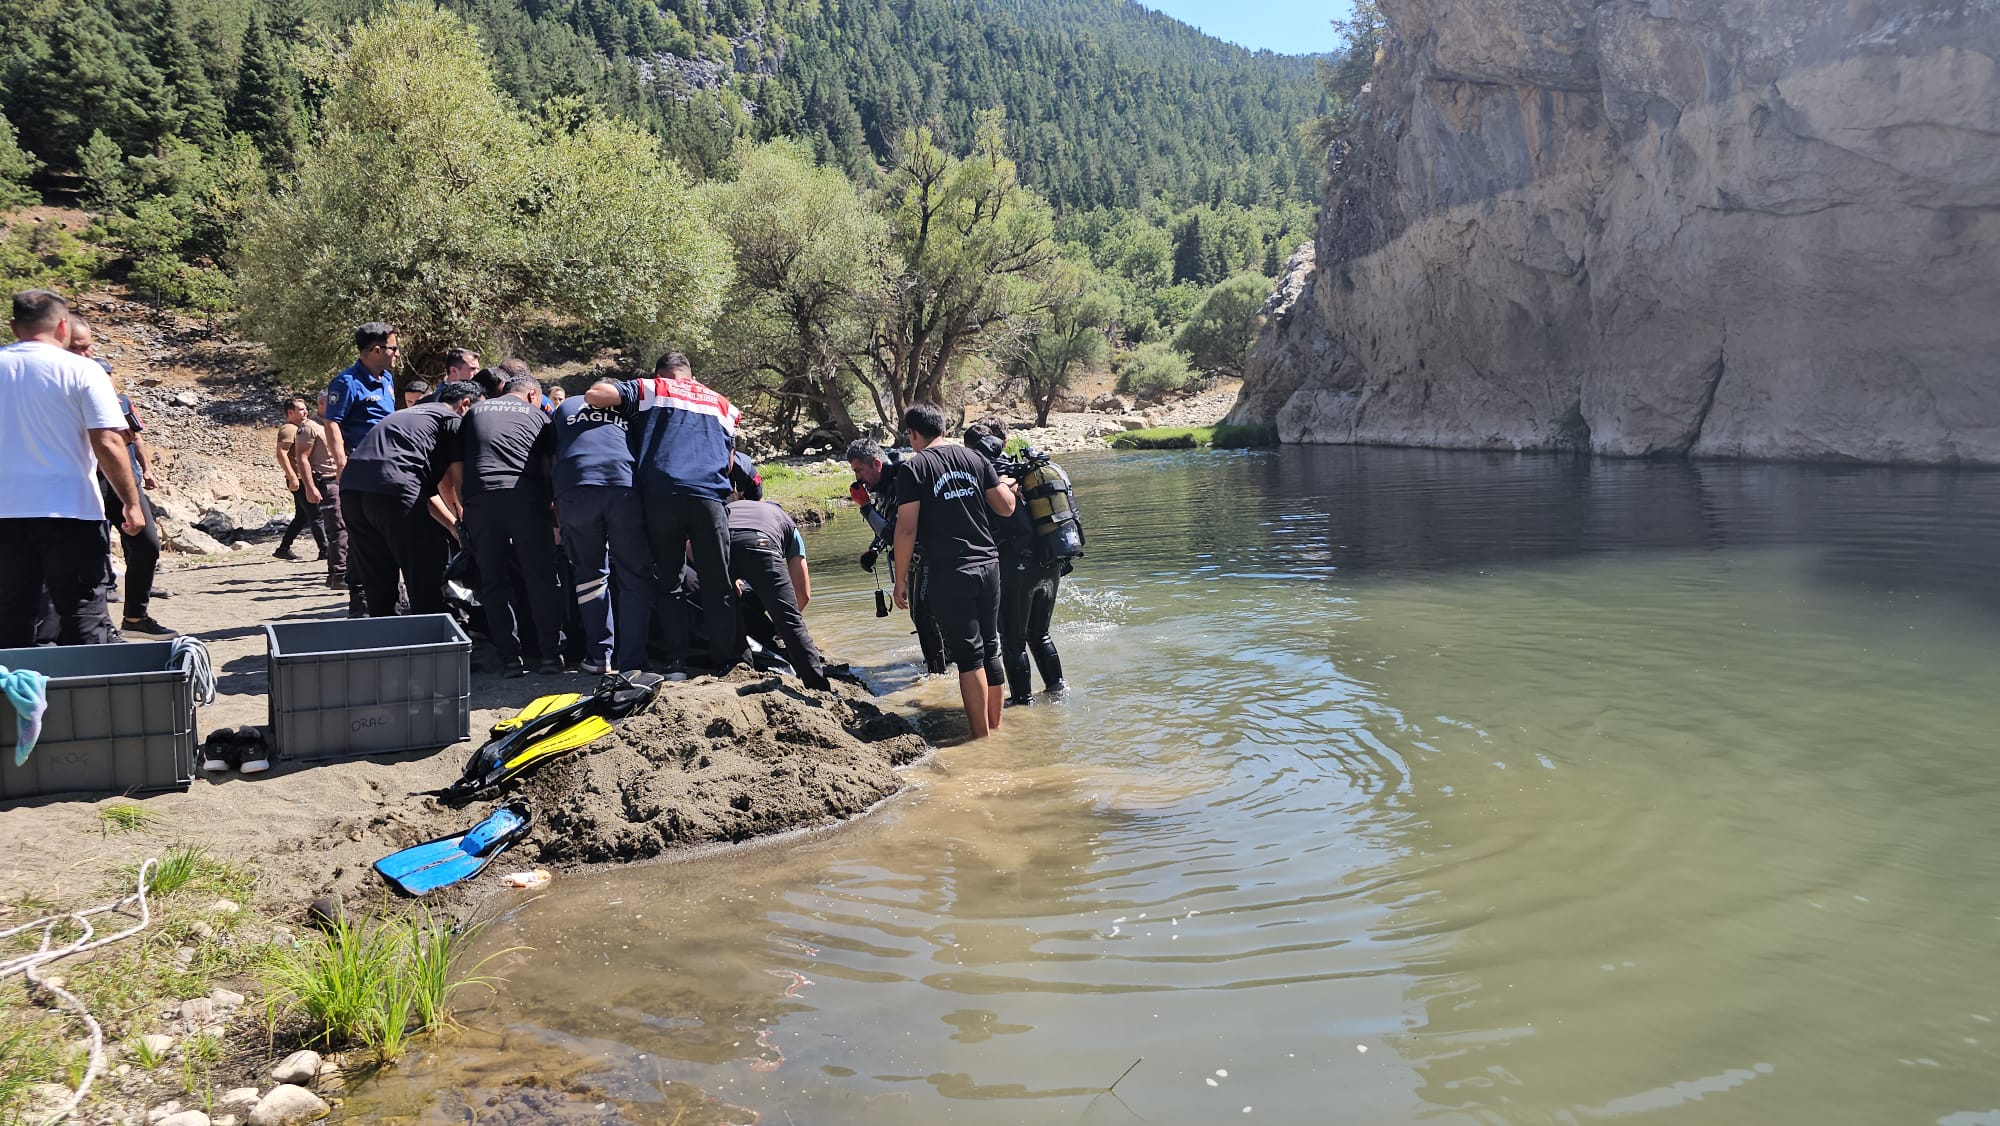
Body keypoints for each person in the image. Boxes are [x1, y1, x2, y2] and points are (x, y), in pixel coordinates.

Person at [0, 290, 145, 648]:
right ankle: (89, 699)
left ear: (14, 327)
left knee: (12, 615)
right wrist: (131, 501)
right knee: (83, 613)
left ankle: (18, 701)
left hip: (6, 513)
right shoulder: (82, 370)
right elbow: (109, 442)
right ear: (63, 326)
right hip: (70, 510)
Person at [583, 353, 740, 679]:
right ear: (691, 376)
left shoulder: (650, 388)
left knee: (670, 583)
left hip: (661, 495)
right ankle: (728, 662)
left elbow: (595, 396)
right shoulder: (723, 404)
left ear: (661, 374)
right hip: (708, 495)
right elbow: (729, 462)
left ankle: (676, 665)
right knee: (717, 582)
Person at [891, 403, 1017, 739]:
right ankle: (996, 728)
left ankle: (980, 740)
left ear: (913, 434)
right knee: (991, 647)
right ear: (944, 429)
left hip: (950, 572)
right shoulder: (975, 458)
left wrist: (900, 579)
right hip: (989, 566)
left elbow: (905, 530)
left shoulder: (914, 469)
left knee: (968, 656)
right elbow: (1006, 507)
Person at [448, 364, 564, 677]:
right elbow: (548, 468)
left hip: (481, 501)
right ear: (532, 394)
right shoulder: (540, 417)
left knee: (493, 581)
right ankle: (550, 656)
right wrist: (551, 511)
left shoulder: (475, 412)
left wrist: (464, 505)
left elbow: (458, 464)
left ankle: (510, 659)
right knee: (540, 578)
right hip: (525, 500)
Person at [67, 321, 172, 638]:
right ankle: (93, 628)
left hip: (122, 479)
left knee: (147, 546)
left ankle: (136, 618)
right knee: (90, 556)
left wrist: (144, 469)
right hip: (85, 482)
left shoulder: (120, 400)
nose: (87, 355)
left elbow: (132, 437)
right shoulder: (59, 388)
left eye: (89, 347)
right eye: (79, 347)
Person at [339, 381, 479, 618]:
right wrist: (473, 523)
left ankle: (390, 643)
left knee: (378, 579)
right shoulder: (451, 420)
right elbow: (455, 483)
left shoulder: (404, 415)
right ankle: (432, 640)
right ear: (465, 405)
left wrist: (454, 526)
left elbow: (423, 493)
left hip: (352, 490)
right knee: (425, 572)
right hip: (395, 490)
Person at [551, 376, 650, 676]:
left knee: (591, 575)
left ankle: (599, 657)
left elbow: (554, 453)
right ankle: (632, 663)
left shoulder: (565, 406)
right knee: (634, 575)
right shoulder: (627, 410)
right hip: (623, 485)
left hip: (575, 488)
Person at [965, 417, 1068, 704]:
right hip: (1049, 558)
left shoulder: (987, 477)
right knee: (1041, 635)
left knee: (1012, 642)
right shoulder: (1024, 470)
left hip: (1017, 566)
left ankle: (1022, 702)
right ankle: (1058, 691)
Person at [725, 453, 829, 691]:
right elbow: (803, 594)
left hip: (718, 539)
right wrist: (781, 627)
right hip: (761, 544)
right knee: (791, 622)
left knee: (724, 610)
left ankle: (738, 670)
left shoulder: (727, 507)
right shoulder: (786, 523)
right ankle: (818, 687)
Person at [848, 438, 948, 674]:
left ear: (876, 464)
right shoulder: (883, 485)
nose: (857, 478)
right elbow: (889, 522)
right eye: (854, 472)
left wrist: (864, 506)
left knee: (923, 616)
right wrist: (874, 549)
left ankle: (938, 675)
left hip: (929, 556)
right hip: (915, 558)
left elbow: (895, 533)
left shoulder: (902, 480)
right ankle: (944, 664)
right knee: (925, 617)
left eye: (859, 470)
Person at [323, 322, 400, 450]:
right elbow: (332, 422)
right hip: (363, 460)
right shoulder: (347, 382)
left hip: (388, 455)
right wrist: (341, 462)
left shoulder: (386, 378)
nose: (397, 354)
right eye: (393, 348)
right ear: (377, 351)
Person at [274, 397, 329, 562]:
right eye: (300, 409)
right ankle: (325, 550)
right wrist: (292, 476)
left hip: (303, 477)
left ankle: (283, 548)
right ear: (290, 412)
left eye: (305, 409)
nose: (305, 412)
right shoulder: (289, 429)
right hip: (299, 478)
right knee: (315, 514)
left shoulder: (300, 428)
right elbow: (281, 453)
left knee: (302, 516)